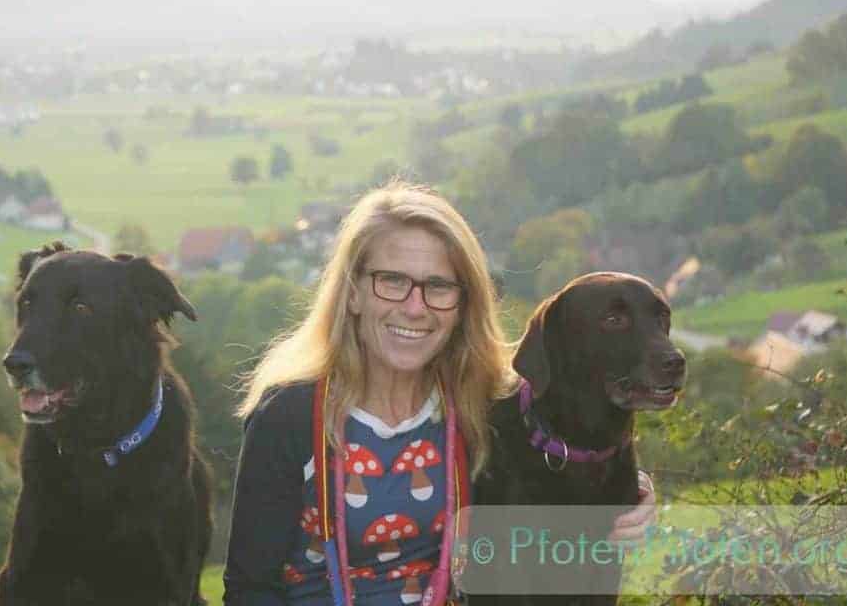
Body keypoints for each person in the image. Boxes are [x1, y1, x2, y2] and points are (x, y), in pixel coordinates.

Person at [223, 181, 657, 605]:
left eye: (438, 287)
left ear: (463, 305)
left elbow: (576, 453)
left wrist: (633, 495)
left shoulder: (483, 408)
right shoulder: (291, 417)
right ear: (352, 293)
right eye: (391, 281)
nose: (415, 307)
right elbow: (250, 588)